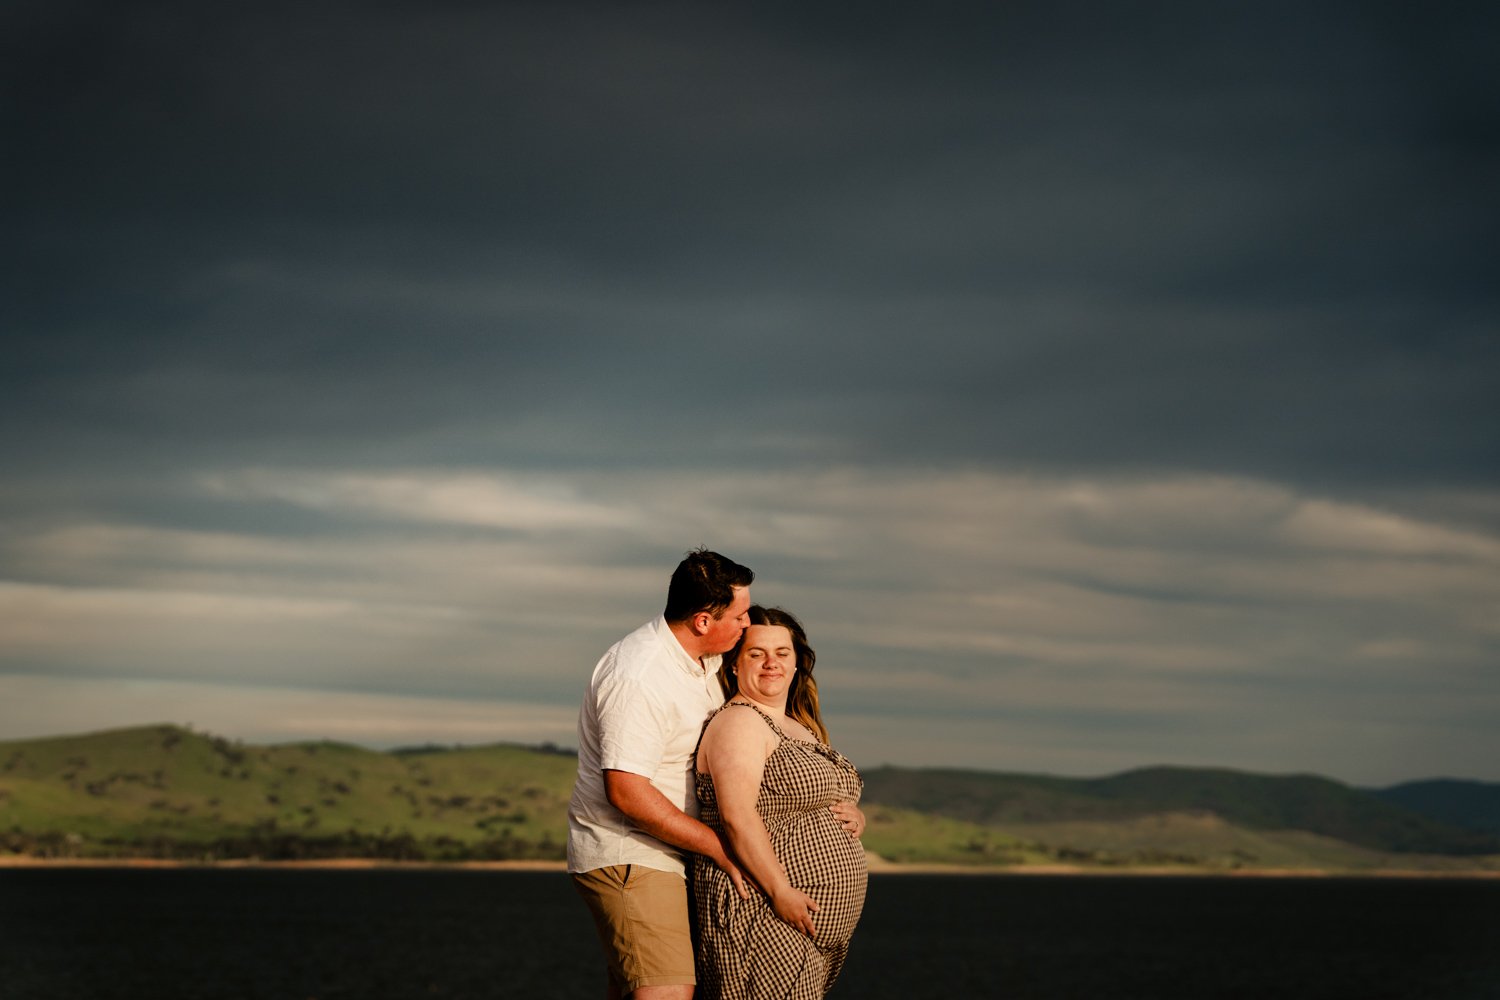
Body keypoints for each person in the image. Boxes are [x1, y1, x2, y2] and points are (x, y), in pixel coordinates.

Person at [567, 549, 756, 1000]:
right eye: (741, 615)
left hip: (669, 852)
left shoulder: (706, 659)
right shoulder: (639, 674)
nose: (747, 624)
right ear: (703, 621)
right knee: (667, 991)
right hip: (631, 852)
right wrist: (720, 848)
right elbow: (627, 792)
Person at [691, 605, 868, 1000]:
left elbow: (816, 797)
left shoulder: (798, 725)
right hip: (765, 910)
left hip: (805, 924)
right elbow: (736, 815)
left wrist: (853, 815)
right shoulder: (740, 721)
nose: (771, 663)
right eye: (756, 654)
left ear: (796, 663)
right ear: (735, 665)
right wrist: (780, 890)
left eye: (782, 654)